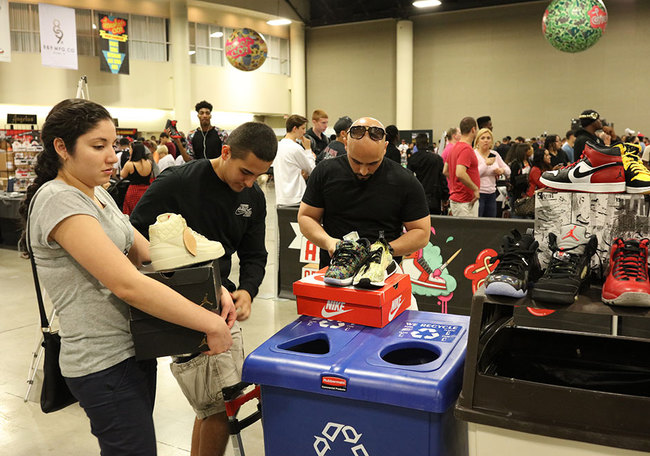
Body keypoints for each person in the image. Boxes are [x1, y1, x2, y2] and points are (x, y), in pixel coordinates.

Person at [19, 98, 234, 456]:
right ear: (62, 147)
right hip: (102, 362)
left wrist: (216, 287)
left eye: (114, 144)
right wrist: (209, 322)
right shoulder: (59, 199)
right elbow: (127, 284)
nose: (112, 156)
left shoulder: (98, 195)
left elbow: (152, 254)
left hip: (134, 350)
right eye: (98, 146)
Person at [130, 121, 276, 456]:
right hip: (182, 305)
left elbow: (255, 253)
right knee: (222, 406)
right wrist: (180, 276)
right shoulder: (178, 182)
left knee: (212, 405)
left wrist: (247, 290)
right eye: (245, 172)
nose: (249, 183)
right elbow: (132, 236)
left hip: (222, 305)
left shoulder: (253, 197)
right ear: (225, 152)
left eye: (259, 176)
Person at [298, 116, 430, 269]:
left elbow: (421, 232)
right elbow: (306, 217)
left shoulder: (405, 181)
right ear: (346, 144)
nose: (363, 171)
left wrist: (385, 250)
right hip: (335, 271)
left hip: (382, 273)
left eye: (373, 163)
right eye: (356, 161)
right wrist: (329, 242)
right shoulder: (325, 172)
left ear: (385, 148)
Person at [273, 114, 315, 206]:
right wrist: (308, 150)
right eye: (303, 128)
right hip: (296, 197)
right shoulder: (296, 148)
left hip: (281, 198)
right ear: (295, 128)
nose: (304, 132)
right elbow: (311, 170)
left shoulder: (277, 146)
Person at [444, 117, 480, 217]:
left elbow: (445, 170)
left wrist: (456, 184)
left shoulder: (454, 147)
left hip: (460, 199)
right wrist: (475, 188)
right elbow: (460, 173)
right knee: (468, 227)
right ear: (473, 129)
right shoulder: (466, 149)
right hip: (465, 202)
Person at [407, 133, 449, 215]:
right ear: (427, 143)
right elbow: (442, 179)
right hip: (434, 199)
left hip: (417, 199)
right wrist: (445, 197)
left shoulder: (412, 159)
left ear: (416, 145)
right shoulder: (437, 159)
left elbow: (408, 180)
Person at [473, 127, 510, 218]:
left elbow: (508, 171)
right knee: (478, 221)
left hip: (492, 193)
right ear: (477, 141)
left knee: (490, 221)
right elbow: (474, 174)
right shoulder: (474, 154)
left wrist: (502, 170)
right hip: (478, 193)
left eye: (488, 138)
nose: (486, 140)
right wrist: (486, 164)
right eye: (483, 138)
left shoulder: (494, 154)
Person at [121, 141, 153, 215]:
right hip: (146, 191)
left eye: (130, 148)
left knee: (132, 214)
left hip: (133, 192)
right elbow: (151, 176)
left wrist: (129, 160)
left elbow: (122, 175)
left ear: (134, 150)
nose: (129, 150)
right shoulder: (149, 162)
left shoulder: (130, 164)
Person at [509, 142, 534, 211]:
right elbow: (512, 179)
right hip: (518, 192)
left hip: (528, 190)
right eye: (529, 149)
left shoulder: (530, 162)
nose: (531, 151)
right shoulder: (516, 163)